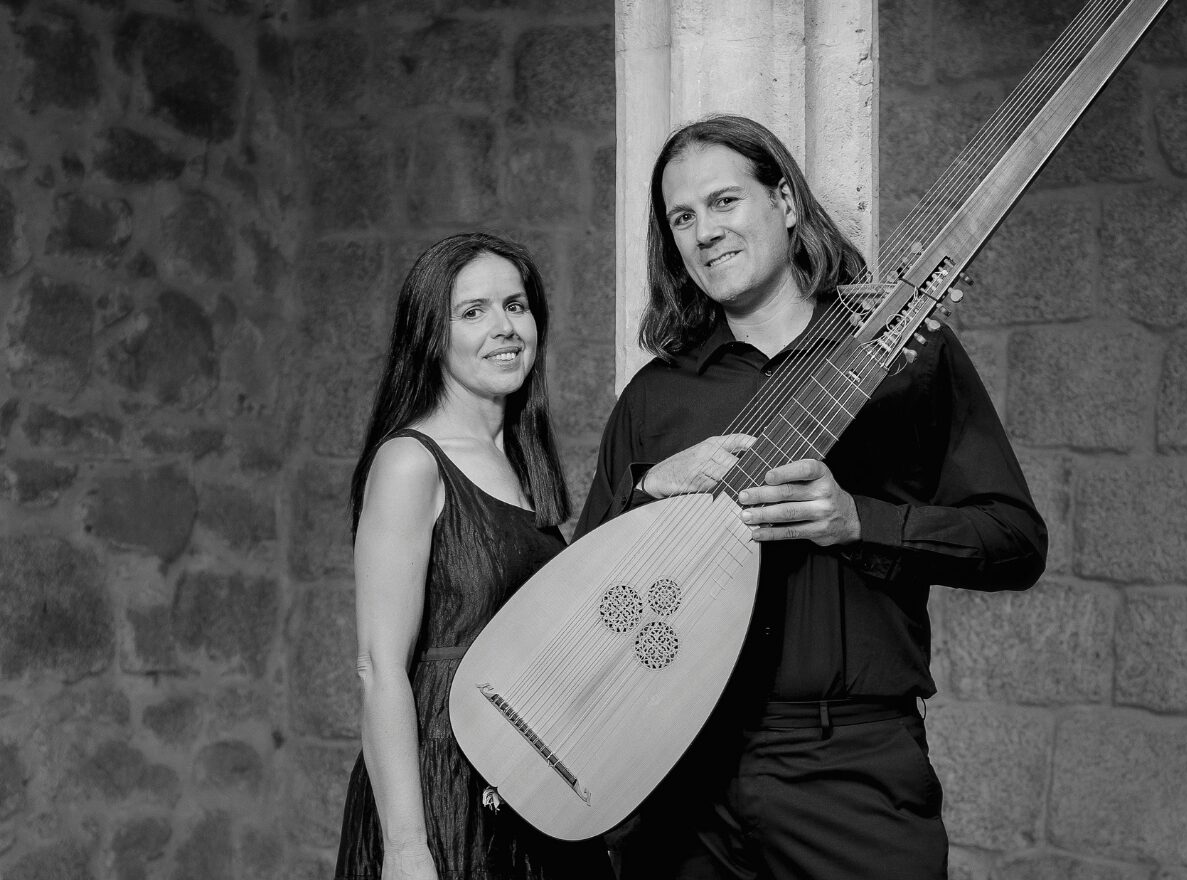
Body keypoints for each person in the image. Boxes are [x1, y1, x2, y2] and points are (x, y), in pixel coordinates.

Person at [574, 116, 1048, 879]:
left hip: (849, 769)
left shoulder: (903, 359)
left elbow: (1015, 542)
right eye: (682, 218)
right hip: (678, 782)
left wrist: (862, 521)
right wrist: (646, 490)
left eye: (725, 202)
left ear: (786, 202)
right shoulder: (656, 399)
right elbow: (582, 603)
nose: (705, 232)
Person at [335, 233, 614, 880]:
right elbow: (379, 668)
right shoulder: (411, 462)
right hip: (444, 793)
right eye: (473, 312)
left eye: (516, 306)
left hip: (528, 783)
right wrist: (407, 850)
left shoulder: (517, 465)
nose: (504, 328)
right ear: (432, 336)